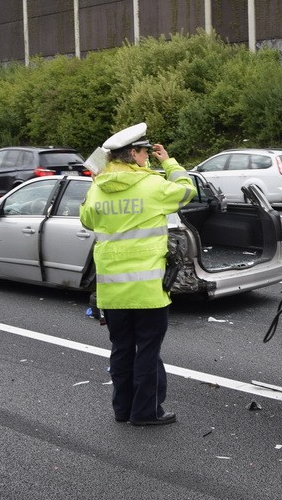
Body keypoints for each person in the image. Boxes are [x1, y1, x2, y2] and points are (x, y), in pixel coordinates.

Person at [79, 123, 195, 425]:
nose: (147, 156)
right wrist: (168, 162)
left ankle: (122, 409)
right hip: (148, 292)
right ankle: (145, 412)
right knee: (147, 351)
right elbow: (188, 190)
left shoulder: (97, 187)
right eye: (145, 152)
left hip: (112, 292)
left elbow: (87, 220)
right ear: (133, 153)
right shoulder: (153, 186)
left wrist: (97, 182)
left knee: (120, 350)